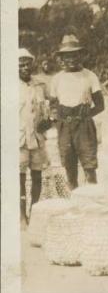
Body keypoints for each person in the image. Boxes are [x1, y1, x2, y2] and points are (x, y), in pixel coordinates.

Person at [49, 35, 104, 189]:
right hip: (65, 126)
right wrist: (57, 119)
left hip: (84, 125)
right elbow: (53, 105)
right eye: (67, 56)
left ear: (80, 55)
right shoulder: (57, 79)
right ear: (61, 58)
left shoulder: (90, 75)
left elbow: (100, 105)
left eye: (74, 55)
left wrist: (84, 116)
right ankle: (73, 201)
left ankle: (92, 201)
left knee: (89, 165)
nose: (71, 59)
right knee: (69, 165)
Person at [19, 48, 51, 228]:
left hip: (38, 137)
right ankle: (22, 216)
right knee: (20, 177)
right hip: (19, 138)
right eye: (20, 64)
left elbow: (49, 108)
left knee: (37, 175)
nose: (24, 67)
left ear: (32, 64)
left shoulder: (40, 85)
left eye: (27, 64)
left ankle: (35, 213)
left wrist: (48, 121)